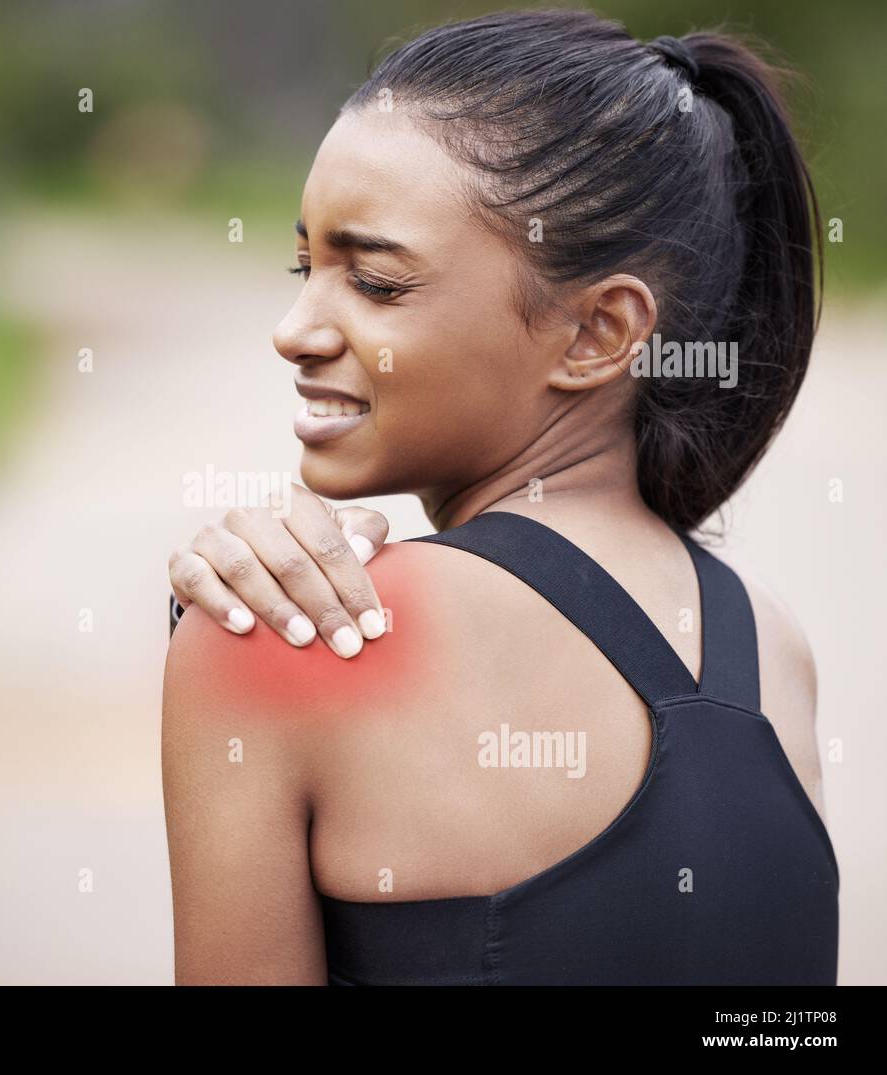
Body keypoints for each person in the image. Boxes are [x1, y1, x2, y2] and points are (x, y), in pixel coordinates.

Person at [162, 9, 837, 985]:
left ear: (598, 333)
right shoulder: (771, 649)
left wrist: (215, 638)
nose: (295, 328)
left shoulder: (287, 632)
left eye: (378, 282)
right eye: (305, 266)